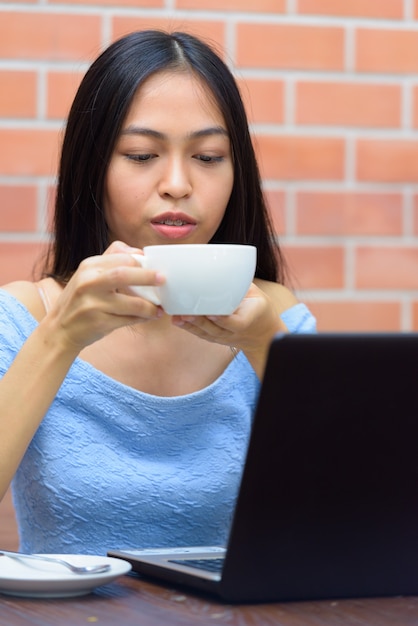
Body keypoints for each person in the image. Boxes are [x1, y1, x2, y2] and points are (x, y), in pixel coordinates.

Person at [0, 30, 316, 555]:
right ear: (91, 168)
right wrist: (58, 339)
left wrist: (269, 349)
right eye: (143, 155)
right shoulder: (24, 316)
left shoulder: (272, 314)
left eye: (209, 156)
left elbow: (346, 506)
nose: (177, 183)